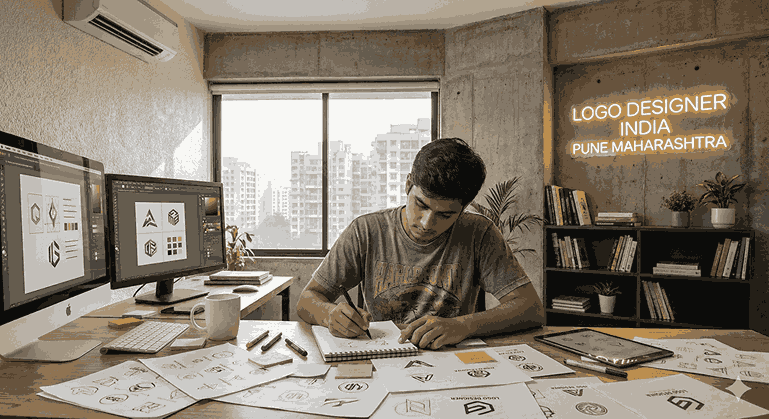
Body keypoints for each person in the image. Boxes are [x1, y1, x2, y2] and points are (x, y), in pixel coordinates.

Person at [296, 138, 544, 349]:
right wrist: (329, 314)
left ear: (463, 208)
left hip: (452, 360)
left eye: (445, 215)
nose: (427, 223)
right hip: (383, 354)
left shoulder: (479, 233)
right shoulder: (366, 231)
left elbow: (530, 309)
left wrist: (463, 326)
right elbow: (307, 300)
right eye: (422, 205)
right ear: (407, 185)